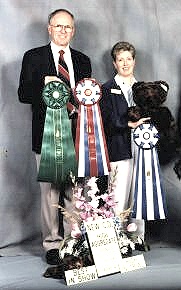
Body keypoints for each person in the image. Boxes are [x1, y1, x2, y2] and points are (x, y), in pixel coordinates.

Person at [18, 9, 92, 265]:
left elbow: (87, 98)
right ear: (49, 28)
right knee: (50, 192)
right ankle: (51, 243)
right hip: (47, 134)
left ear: (73, 30)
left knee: (74, 190)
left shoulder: (83, 60)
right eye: (58, 26)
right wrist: (44, 84)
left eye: (68, 27)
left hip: (76, 132)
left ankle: (72, 241)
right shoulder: (33, 57)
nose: (63, 31)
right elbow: (23, 94)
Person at [100, 42, 150, 247]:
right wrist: (128, 124)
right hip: (119, 149)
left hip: (143, 149)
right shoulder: (106, 89)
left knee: (139, 194)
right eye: (120, 59)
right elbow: (105, 120)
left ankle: (137, 238)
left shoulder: (145, 89)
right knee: (118, 196)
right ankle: (117, 239)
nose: (125, 63)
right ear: (114, 63)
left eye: (128, 58)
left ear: (134, 61)